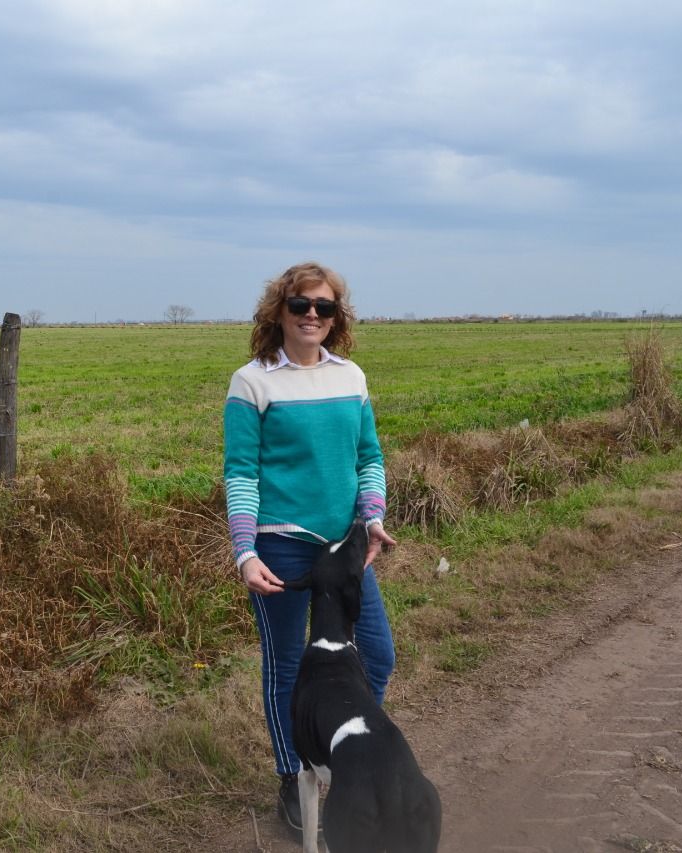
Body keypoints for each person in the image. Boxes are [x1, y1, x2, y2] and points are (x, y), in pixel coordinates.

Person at [223, 261, 398, 834]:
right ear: (279, 311)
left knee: (376, 655)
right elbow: (242, 473)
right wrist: (245, 552)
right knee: (287, 666)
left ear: (336, 317)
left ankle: (339, 758)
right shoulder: (252, 382)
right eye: (301, 305)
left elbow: (368, 459)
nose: (313, 316)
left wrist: (372, 518)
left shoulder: (352, 376)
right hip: (281, 549)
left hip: (344, 550)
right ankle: (292, 778)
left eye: (325, 307)